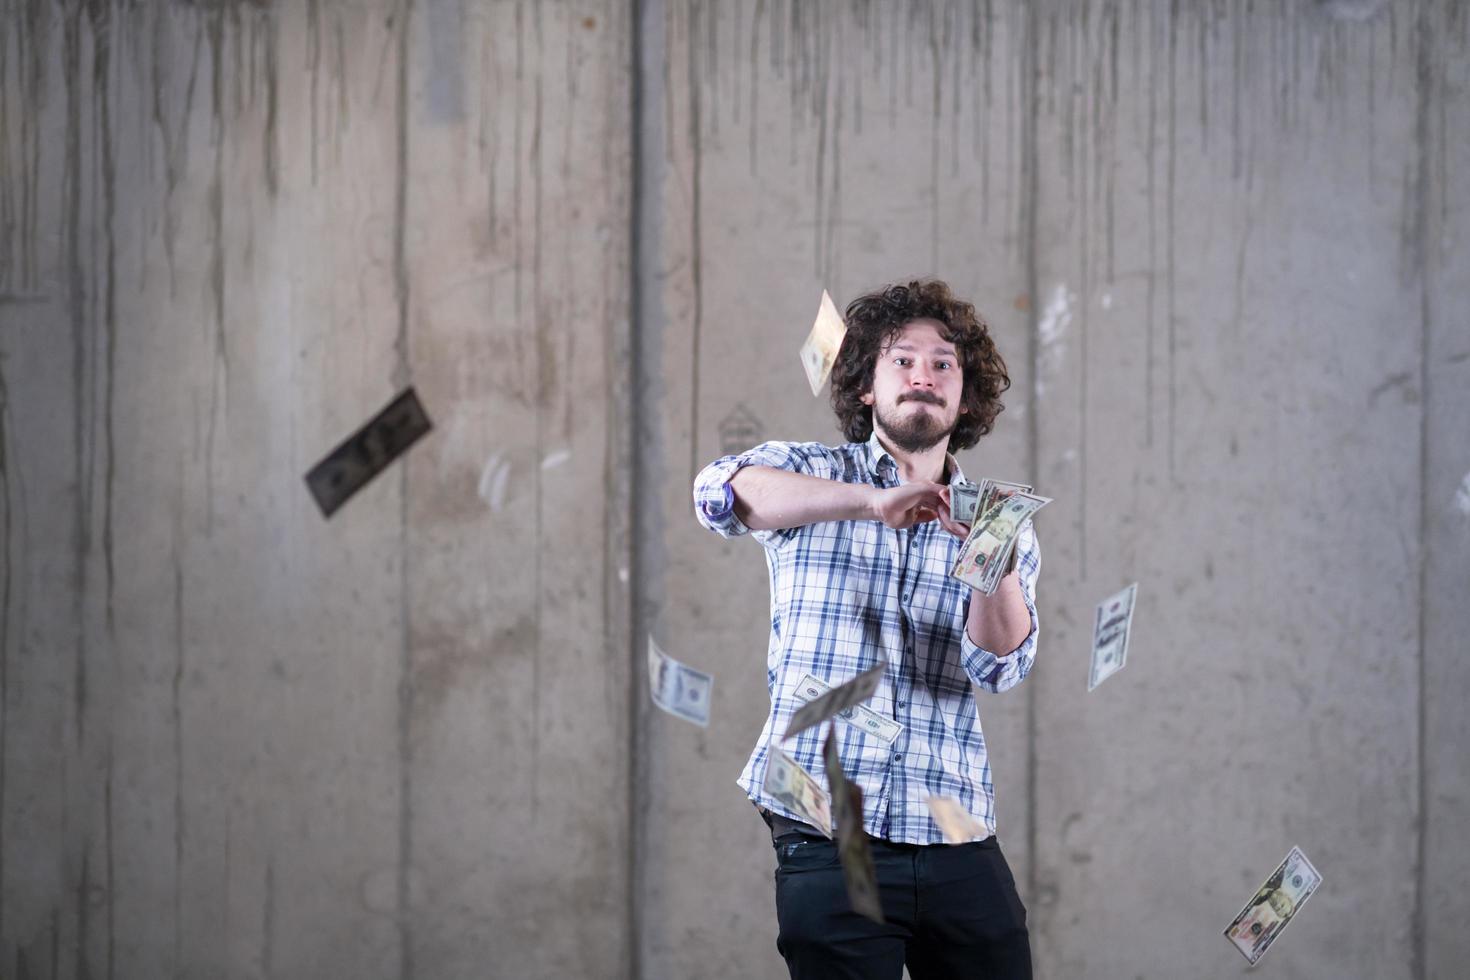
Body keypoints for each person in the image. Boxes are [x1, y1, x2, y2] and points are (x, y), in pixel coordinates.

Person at [692, 279, 1040, 980]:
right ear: (864, 389)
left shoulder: (1000, 520)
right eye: (901, 360)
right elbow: (717, 493)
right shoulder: (811, 474)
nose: (922, 375)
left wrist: (989, 552)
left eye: (943, 363)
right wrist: (870, 502)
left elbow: (1002, 665)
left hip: (953, 819)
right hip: (829, 826)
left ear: (965, 398)